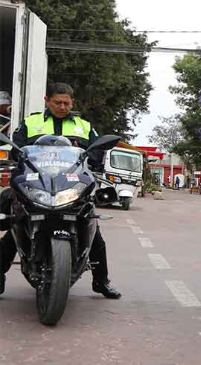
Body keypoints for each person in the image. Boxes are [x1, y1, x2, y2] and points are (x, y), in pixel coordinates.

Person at [0, 82, 121, 298]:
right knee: (16, 226)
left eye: (66, 103)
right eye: (57, 102)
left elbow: (95, 152)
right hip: (38, 184)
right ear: (47, 100)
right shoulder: (31, 123)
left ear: (72, 102)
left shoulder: (83, 126)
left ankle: (101, 281)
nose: (62, 106)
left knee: (93, 232)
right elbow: (17, 150)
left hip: (71, 185)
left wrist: (91, 161)